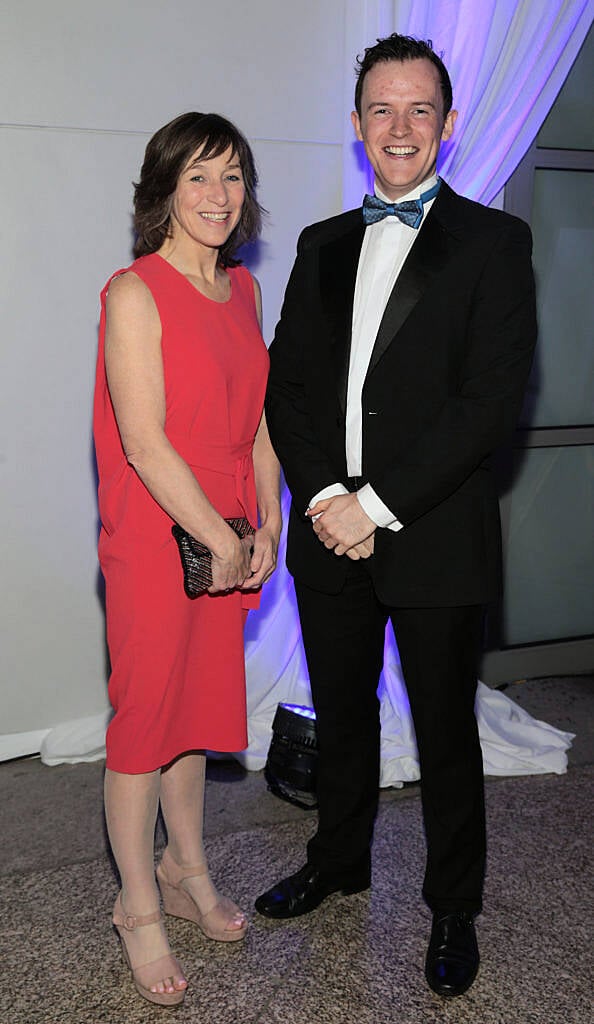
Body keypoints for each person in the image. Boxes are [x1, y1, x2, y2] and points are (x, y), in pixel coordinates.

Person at [257, 34, 537, 998]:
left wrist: (377, 504)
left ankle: (453, 905)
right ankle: (338, 860)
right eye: (382, 108)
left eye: (420, 109)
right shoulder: (321, 243)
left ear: (450, 126)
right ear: (356, 126)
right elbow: (285, 388)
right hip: (331, 532)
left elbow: (489, 403)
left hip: (435, 536)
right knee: (340, 717)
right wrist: (330, 500)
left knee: (446, 731)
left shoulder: (496, 243)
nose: (400, 126)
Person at [93, 112, 280, 1007]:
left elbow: (260, 421)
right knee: (143, 722)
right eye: (200, 177)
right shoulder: (134, 291)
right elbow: (142, 441)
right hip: (159, 529)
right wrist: (218, 533)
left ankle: (186, 866)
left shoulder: (242, 291)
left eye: (234, 177)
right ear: (164, 189)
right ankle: (136, 905)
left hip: (226, 527)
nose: (218, 195)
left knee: (195, 712)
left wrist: (269, 515)